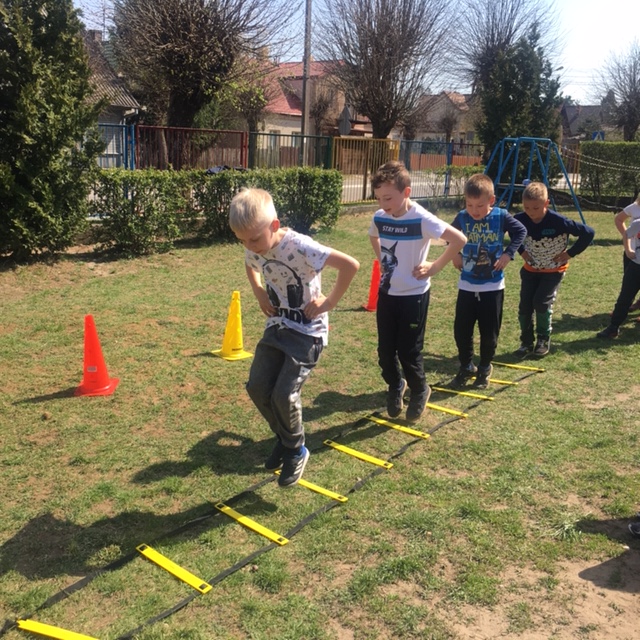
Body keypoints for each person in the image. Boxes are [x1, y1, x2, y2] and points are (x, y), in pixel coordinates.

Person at [229, 188, 359, 487]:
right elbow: (250, 263)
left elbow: (350, 265)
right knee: (257, 387)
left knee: (283, 394)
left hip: (307, 333)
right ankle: (285, 439)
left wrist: (328, 302)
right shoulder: (254, 243)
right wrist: (259, 292)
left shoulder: (300, 246)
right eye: (242, 241)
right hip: (277, 327)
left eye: (254, 240)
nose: (249, 247)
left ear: (274, 226)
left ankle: (296, 449)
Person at [368, 161, 467, 422]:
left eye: (388, 198)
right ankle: (395, 385)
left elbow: (459, 240)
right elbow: (373, 235)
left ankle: (420, 389)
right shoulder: (380, 216)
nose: (383, 204)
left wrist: (434, 267)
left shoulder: (421, 218)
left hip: (414, 295)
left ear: (407, 192)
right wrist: (382, 258)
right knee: (385, 352)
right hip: (387, 293)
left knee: (408, 351)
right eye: (378, 198)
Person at [450, 173, 526, 389]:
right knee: (461, 331)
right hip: (467, 285)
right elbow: (448, 234)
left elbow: (521, 231)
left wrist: (508, 254)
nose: (474, 211)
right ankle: (466, 366)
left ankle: (484, 367)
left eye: (479, 206)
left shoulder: (501, 216)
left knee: (489, 332)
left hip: (492, 286)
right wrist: (454, 253)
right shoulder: (462, 217)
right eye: (469, 205)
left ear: (491, 200)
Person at [514, 182, 594, 356]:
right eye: (526, 207)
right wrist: (521, 251)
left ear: (546, 203)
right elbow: (511, 232)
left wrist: (570, 253)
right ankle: (526, 342)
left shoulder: (559, 221)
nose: (531, 212)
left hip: (553, 271)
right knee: (525, 306)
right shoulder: (520, 219)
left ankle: (543, 338)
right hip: (530, 270)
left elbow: (588, 233)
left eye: (536, 208)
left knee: (541, 302)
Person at [596, 214, 640, 338]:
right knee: (625, 297)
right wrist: (628, 250)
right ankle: (613, 327)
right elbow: (626, 234)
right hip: (636, 267)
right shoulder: (638, 223)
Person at [613, 194, 640, 314]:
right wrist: (627, 236)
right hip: (632, 252)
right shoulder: (634, 207)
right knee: (629, 283)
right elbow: (618, 219)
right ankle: (622, 309)